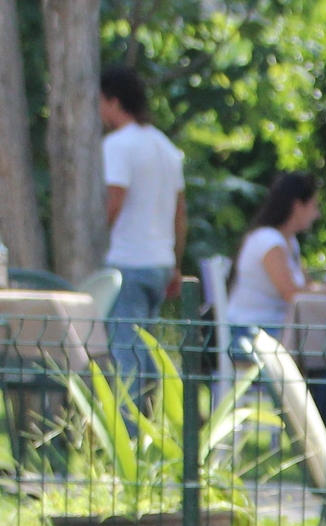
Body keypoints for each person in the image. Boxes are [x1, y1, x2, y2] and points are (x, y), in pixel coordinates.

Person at [100, 64, 185, 397]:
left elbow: (114, 199)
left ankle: (130, 436)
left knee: (126, 354)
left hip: (129, 262)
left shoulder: (119, 145)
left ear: (114, 101)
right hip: (159, 262)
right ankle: (152, 422)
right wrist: (175, 262)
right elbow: (180, 213)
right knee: (144, 348)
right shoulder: (164, 146)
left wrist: (96, 240)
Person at [225, 172, 320, 335]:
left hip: (274, 329)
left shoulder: (290, 242)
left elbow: (306, 286)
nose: (317, 214)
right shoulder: (269, 241)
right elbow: (292, 294)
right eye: (314, 206)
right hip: (250, 334)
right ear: (297, 206)